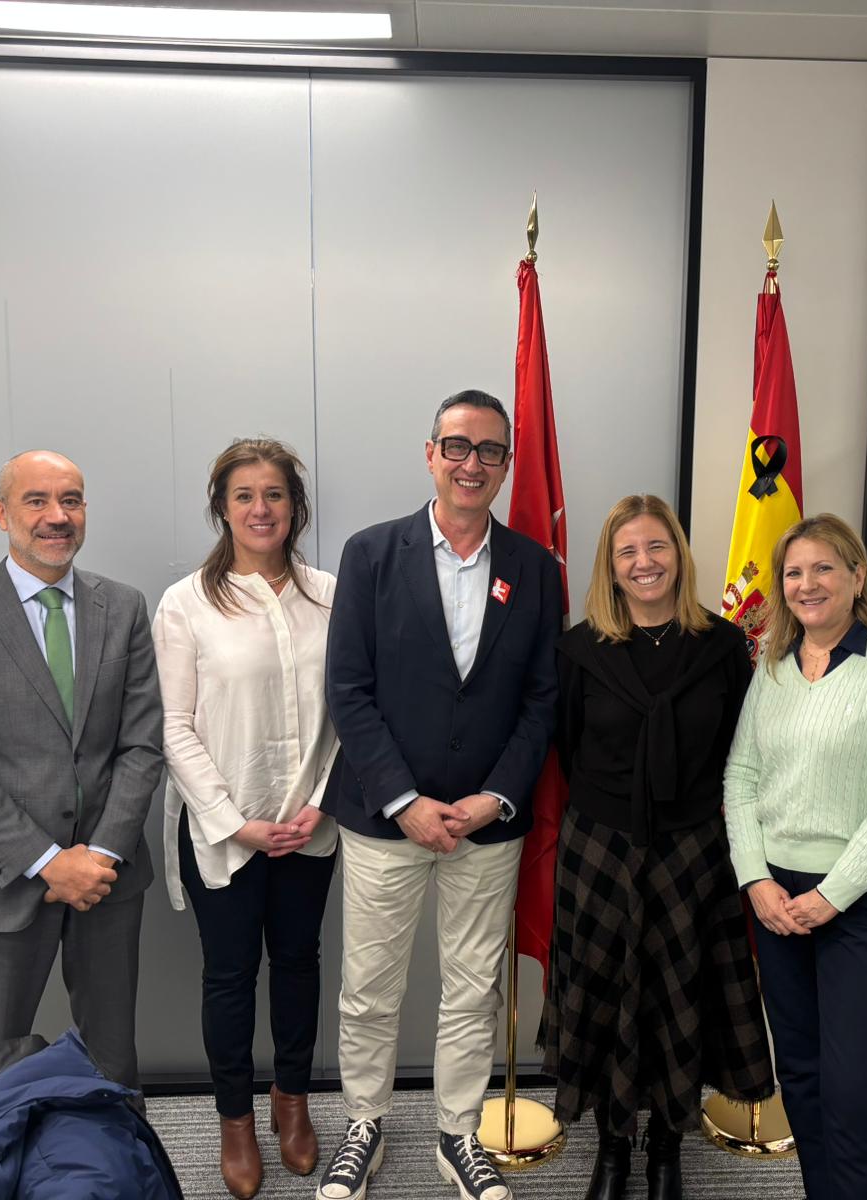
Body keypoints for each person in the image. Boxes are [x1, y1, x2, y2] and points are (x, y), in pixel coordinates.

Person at [317, 389, 563, 1200]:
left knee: (472, 990)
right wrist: (404, 800)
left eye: (489, 451)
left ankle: (458, 1134)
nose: (471, 463)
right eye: (457, 446)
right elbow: (348, 690)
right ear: (431, 454)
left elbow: (542, 700)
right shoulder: (370, 554)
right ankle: (365, 1124)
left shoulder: (534, 568)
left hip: (487, 827)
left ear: (506, 466)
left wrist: (497, 796)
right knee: (369, 989)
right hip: (386, 820)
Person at [542, 495, 773, 1200]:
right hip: (601, 851)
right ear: (610, 566)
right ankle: (612, 1149)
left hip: (693, 854)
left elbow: (741, 750)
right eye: (628, 552)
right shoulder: (579, 650)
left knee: (681, 999)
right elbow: (568, 747)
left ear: (678, 554)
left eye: (656, 547)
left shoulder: (723, 646)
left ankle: (667, 1148)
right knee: (606, 1000)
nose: (644, 563)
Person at [0, 449, 163, 1092]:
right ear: (2, 514)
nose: (58, 516)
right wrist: (51, 862)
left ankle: (117, 1157)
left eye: (71, 500)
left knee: (113, 1068)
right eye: (37, 500)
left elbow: (142, 746)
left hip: (108, 882)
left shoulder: (124, 607)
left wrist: (99, 856)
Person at [724, 513, 867, 1200]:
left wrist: (830, 895)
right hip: (776, 899)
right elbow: (741, 777)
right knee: (804, 1076)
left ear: (856, 576)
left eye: (823, 568)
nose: (806, 584)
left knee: (850, 1085)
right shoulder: (773, 664)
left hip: (859, 898)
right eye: (793, 572)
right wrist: (755, 880)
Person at [151, 439, 339, 1198]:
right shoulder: (185, 603)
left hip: (310, 826)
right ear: (222, 508)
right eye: (244, 496)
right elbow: (174, 727)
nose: (261, 509)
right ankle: (235, 1120)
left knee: (298, 965)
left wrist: (321, 802)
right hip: (221, 833)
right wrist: (235, 822)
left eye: (275, 494)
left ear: (296, 507)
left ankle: (292, 1103)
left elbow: (348, 712)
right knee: (229, 977)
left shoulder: (329, 595)